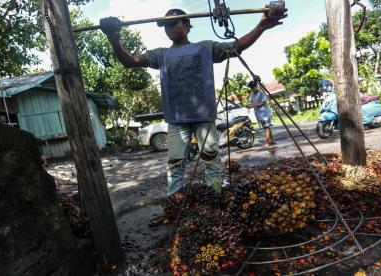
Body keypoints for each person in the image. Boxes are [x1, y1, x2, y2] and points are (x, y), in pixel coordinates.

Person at [100, 8, 284, 220]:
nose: (170, 28)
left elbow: (236, 47)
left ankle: (215, 203)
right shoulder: (161, 55)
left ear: (187, 25)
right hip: (177, 120)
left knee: (211, 160)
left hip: (204, 118)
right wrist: (113, 38)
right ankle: (174, 209)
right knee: (175, 165)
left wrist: (261, 26)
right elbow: (129, 61)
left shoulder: (205, 48)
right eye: (166, 26)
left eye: (175, 23)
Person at [246, 80, 275, 146]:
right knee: (267, 127)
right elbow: (250, 104)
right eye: (251, 88)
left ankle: (268, 142)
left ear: (256, 86)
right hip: (259, 114)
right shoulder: (252, 95)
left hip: (264, 113)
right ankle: (272, 141)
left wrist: (252, 106)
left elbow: (262, 103)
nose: (253, 89)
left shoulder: (261, 93)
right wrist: (249, 106)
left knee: (266, 127)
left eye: (254, 87)